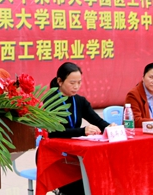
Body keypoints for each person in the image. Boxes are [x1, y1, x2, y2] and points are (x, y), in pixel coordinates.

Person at [46, 62, 112, 195]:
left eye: (79, 82)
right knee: (82, 185)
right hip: (55, 155)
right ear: (60, 81)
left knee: (100, 175)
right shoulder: (51, 101)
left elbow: (97, 121)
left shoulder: (79, 101)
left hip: (74, 152)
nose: (76, 86)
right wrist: (82, 131)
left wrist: (110, 127)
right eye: (72, 83)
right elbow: (54, 132)